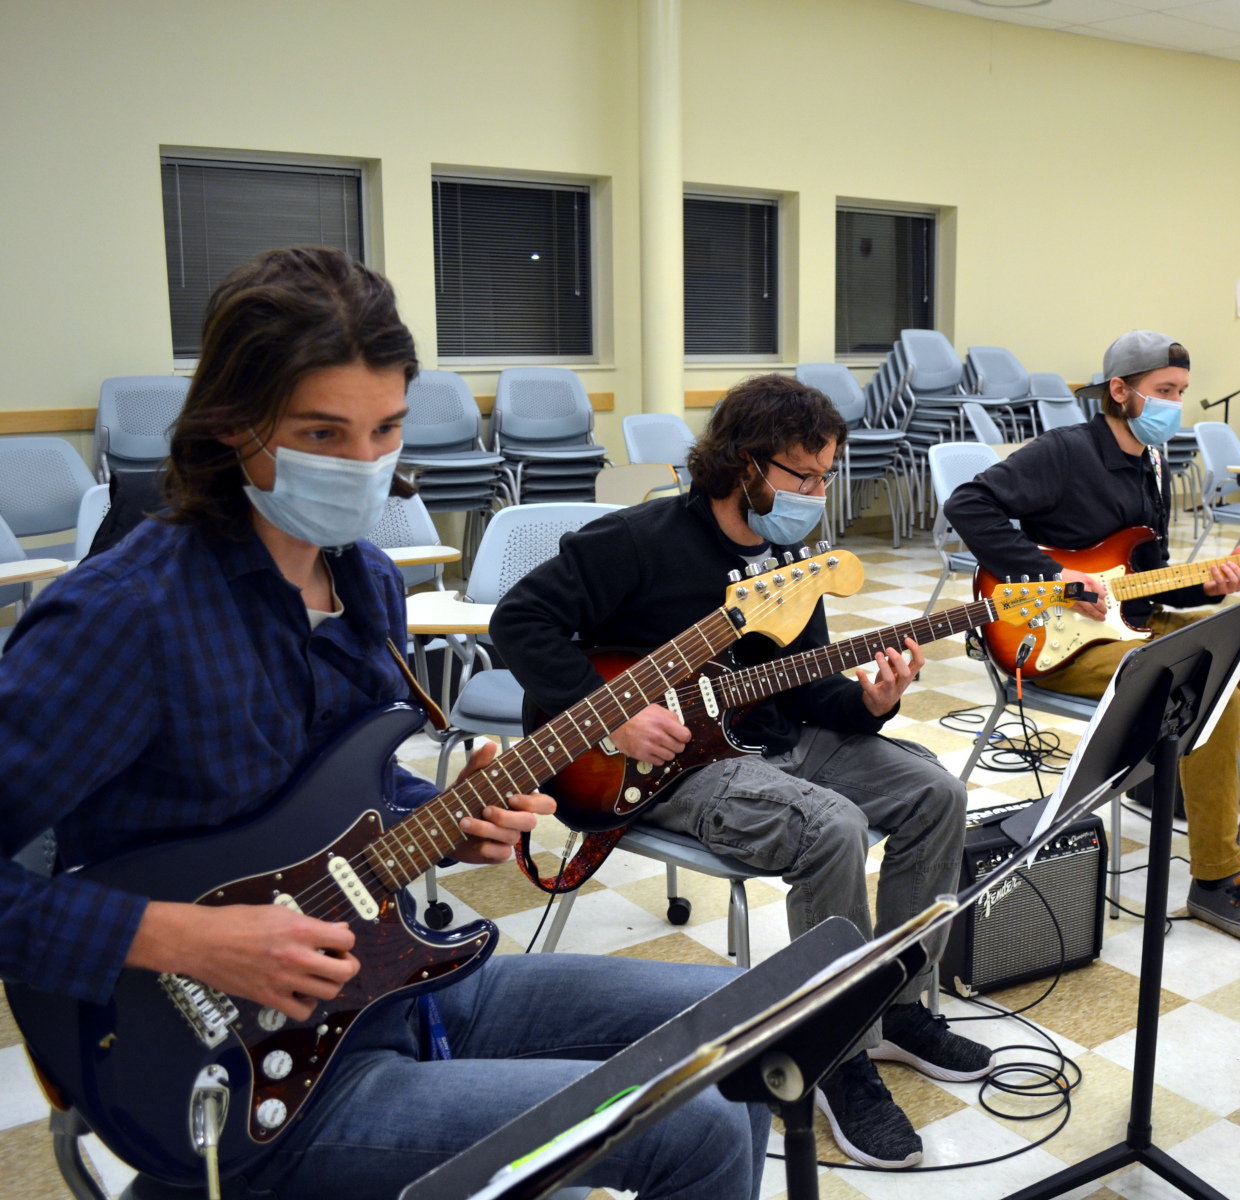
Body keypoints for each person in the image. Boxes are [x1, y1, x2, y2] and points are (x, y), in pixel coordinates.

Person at [0, 247, 768, 1200]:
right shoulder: (122, 616)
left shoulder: (362, 580)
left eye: (387, 431)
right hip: (254, 1077)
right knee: (690, 1133)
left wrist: (445, 811)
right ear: (235, 423)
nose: (364, 464)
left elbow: (335, 792)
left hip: (401, 975)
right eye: (325, 434)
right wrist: (179, 939)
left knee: (744, 1028)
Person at [491, 374, 985, 1170]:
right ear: (745, 464)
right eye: (803, 475)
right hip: (663, 769)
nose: (817, 493)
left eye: (827, 476)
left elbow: (811, 687)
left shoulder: (792, 559)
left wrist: (875, 702)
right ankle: (833, 1054)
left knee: (936, 791)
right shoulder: (640, 540)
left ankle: (893, 1008)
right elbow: (518, 620)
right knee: (834, 828)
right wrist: (612, 711)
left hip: (773, 739)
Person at [945, 331, 1240, 941]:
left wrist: (1210, 589)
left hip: (1130, 622)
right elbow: (967, 503)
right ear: (1120, 391)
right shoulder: (1064, 452)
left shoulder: (1152, 465)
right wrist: (1057, 575)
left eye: (1182, 392)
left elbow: (1151, 582)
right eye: (1165, 391)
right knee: (1204, 680)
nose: (1175, 404)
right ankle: (1216, 882)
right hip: (1055, 640)